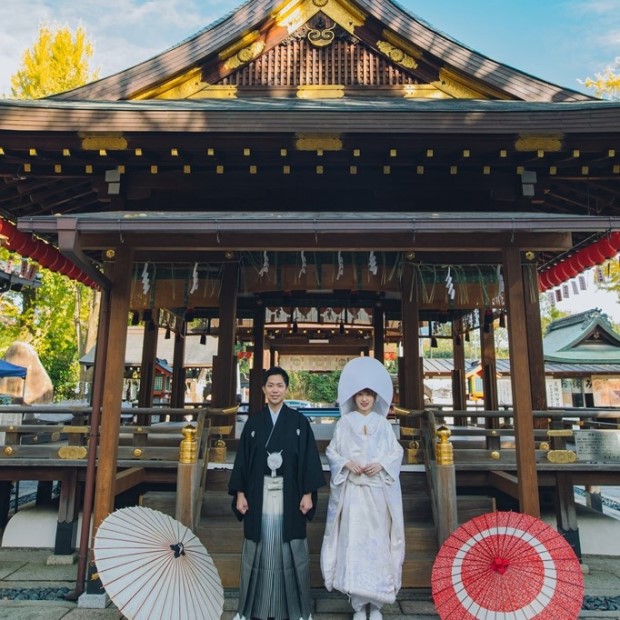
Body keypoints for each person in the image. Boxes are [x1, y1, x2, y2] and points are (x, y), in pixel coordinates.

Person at [229, 366, 326, 620]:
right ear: (263, 389)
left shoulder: (299, 423)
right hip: (258, 496)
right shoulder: (253, 423)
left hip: (290, 496)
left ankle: (296, 611)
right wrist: (240, 493)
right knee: (258, 550)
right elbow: (242, 462)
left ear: (286, 388)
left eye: (279, 385)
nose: (275, 390)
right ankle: (252, 610)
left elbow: (308, 461)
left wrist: (308, 493)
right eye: (270, 385)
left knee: (290, 549)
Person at [321, 356, 405, 620]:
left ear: (376, 397)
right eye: (360, 394)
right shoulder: (345, 423)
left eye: (369, 394)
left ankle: (376, 603)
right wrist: (347, 462)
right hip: (355, 493)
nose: (365, 399)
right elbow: (332, 452)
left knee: (377, 544)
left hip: (377, 494)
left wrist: (380, 464)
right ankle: (358, 603)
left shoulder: (383, 424)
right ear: (353, 397)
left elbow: (395, 453)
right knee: (354, 543)